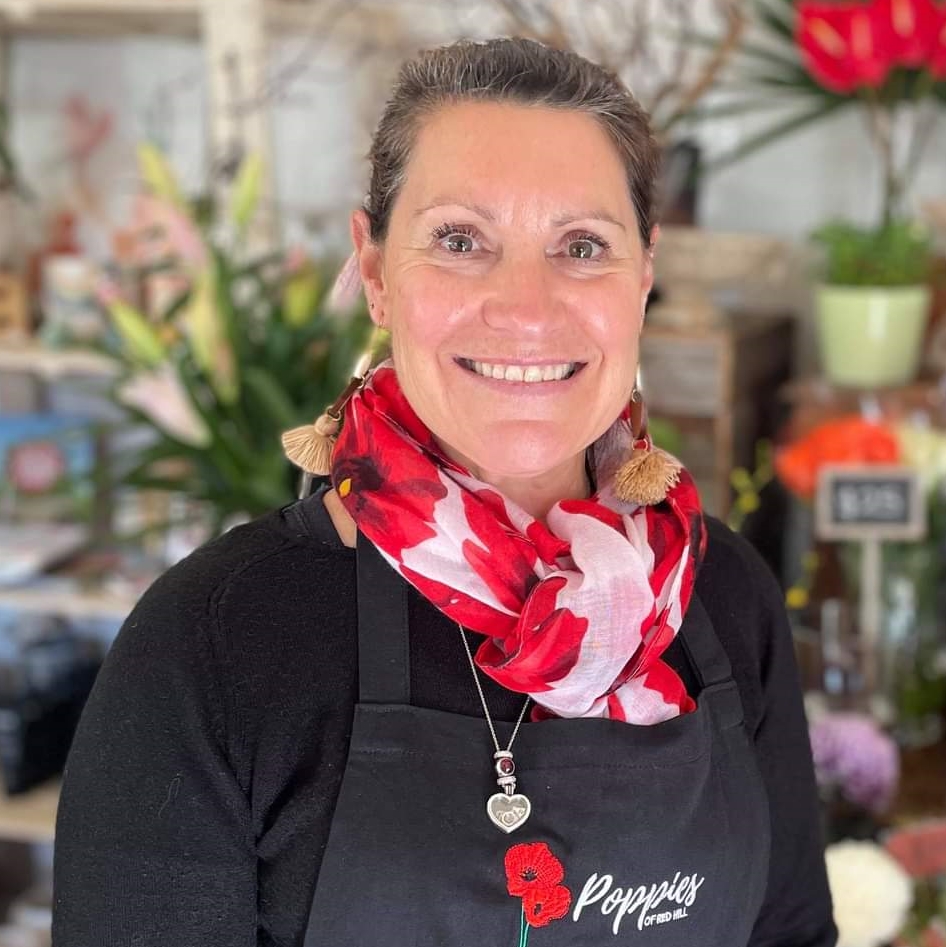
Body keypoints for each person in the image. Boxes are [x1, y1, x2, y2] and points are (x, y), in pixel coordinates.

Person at [53, 37, 837, 947]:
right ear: (376, 272)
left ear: (644, 276)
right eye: (461, 240)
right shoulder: (213, 640)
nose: (527, 307)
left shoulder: (726, 593)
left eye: (583, 245)